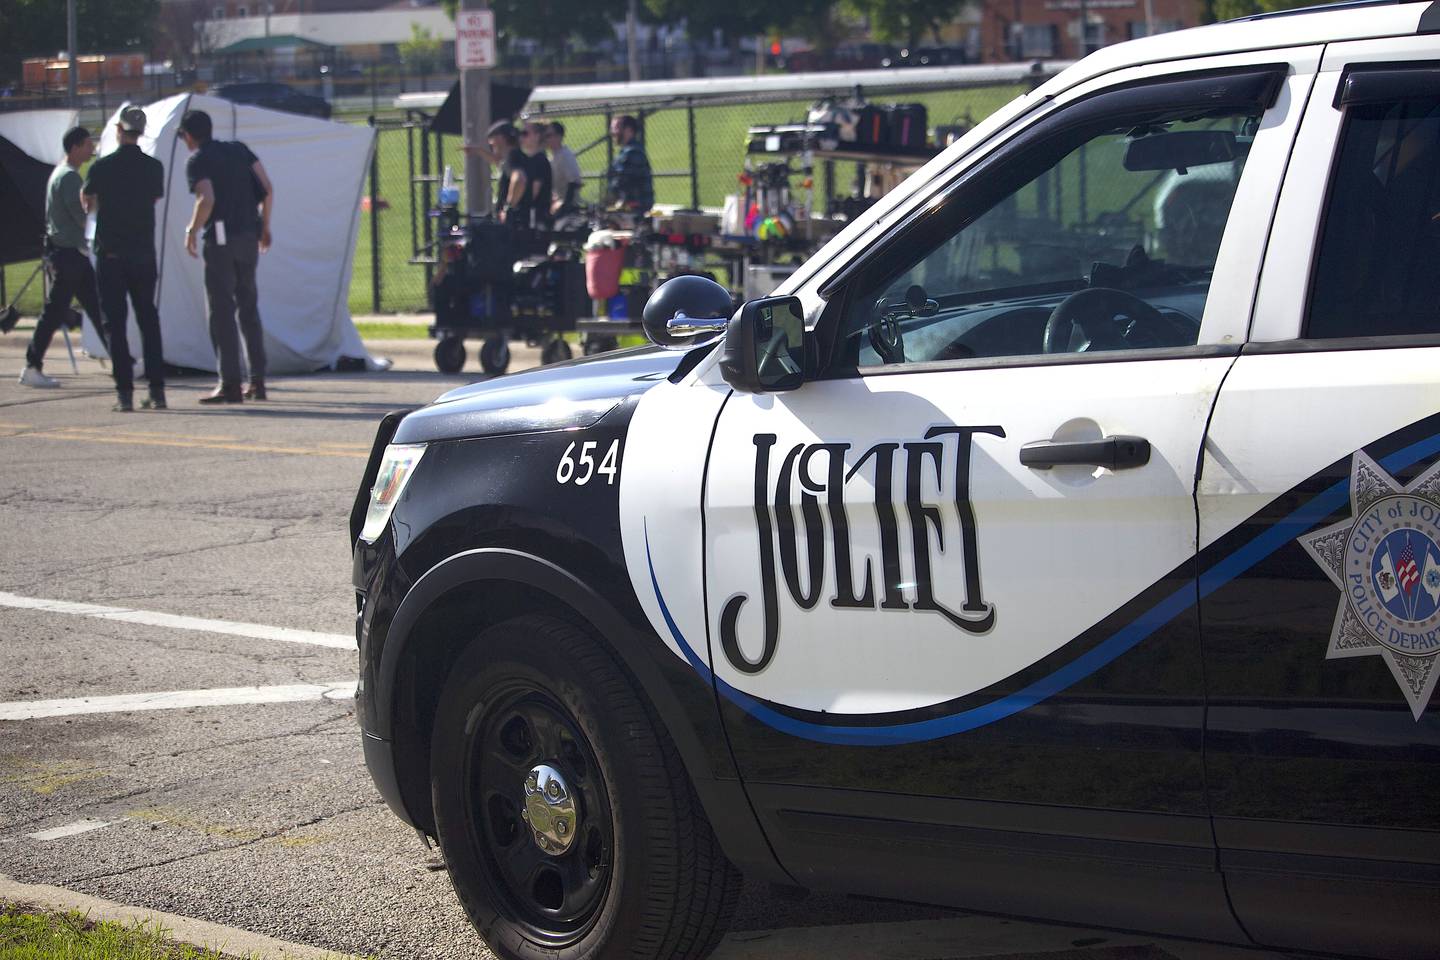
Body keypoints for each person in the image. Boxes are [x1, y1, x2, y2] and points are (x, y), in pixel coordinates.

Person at [179, 109, 274, 404]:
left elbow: (207, 199)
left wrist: (192, 229)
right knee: (248, 308)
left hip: (220, 240)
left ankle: (230, 383)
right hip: (249, 234)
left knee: (221, 312)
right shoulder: (239, 150)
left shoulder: (198, 160)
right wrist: (265, 226)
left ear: (190, 136)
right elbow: (267, 188)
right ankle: (257, 380)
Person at [83, 103, 167, 411]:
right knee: (149, 320)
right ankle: (157, 390)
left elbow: (87, 200)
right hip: (143, 252)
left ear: (119, 130)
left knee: (115, 325)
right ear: (141, 132)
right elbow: (155, 197)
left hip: (112, 254)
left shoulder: (101, 167)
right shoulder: (153, 167)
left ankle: (125, 393)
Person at [20, 126, 106, 389]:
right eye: (88, 143)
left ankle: (124, 360)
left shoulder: (63, 173)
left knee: (94, 306)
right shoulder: (69, 178)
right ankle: (32, 365)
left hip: (68, 254)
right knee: (58, 311)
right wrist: (100, 219)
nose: (92, 148)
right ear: (76, 147)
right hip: (69, 255)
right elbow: (80, 217)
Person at [607, 115, 653, 214]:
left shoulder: (632, 153)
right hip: (630, 207)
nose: (613, 133)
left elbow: (621, 181)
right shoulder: (627, 151)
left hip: (634, 209)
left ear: (628, 130)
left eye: (616, 128)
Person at [520, 120, 553, 228]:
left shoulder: (539, 160)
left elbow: (533, 192)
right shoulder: (529, 160)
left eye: (525, 133)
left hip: (536, 220)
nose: (521, 137)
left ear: (537, 136)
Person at [546, 122, 582, 216]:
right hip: (557, 205)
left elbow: (574, 183)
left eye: (549, 135)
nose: (546, 139)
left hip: (569, 208)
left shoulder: (565, 156)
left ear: (559, 136)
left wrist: (564, 205)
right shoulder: (553, 157)